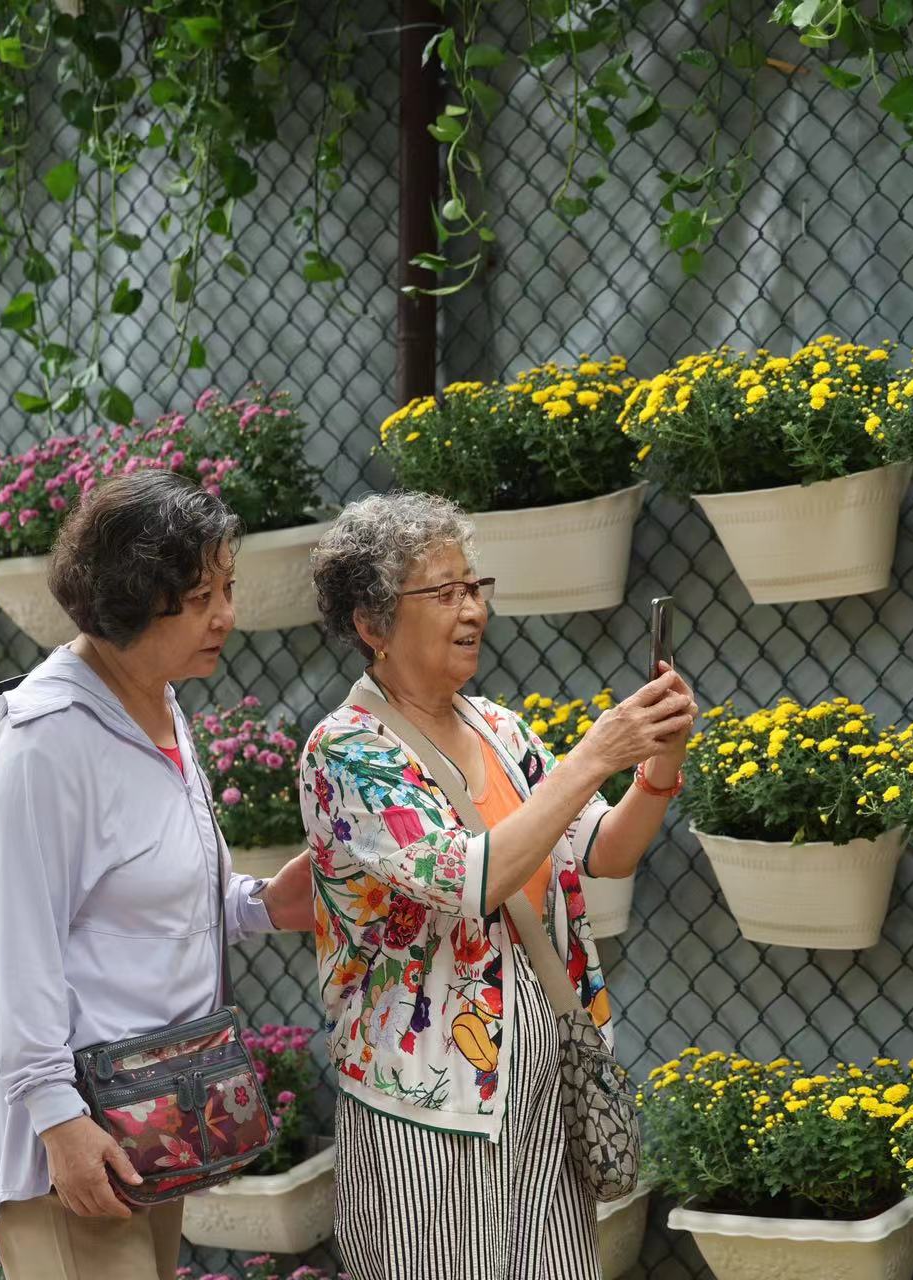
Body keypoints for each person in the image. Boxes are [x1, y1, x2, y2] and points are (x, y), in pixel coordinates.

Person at [302, 491, 695, 1280]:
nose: (471, 609)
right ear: (372, 624)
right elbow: (468, 877)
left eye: (474, 586)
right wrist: (593, 755)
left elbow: (602, 852)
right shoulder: (345, 752)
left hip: (542, 1085)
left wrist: (657, 762)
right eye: (442, 593)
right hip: (427, 1108)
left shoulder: (501, 729)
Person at [0, 469, 315, 1278]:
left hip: (150, 1106)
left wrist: (257, 906)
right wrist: (58, 1121)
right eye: (199, 594)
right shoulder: (45, 743)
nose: (227, 614)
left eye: (229, 586)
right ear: (133, 596)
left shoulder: (157, 700)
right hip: (77, 1125)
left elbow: (137, 897)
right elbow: (18, 950)